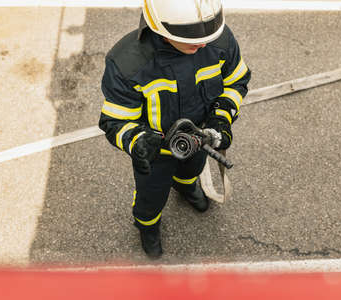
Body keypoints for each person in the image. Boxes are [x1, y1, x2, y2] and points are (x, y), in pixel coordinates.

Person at [98, 0, 251, 258]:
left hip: (200, 138)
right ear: (160, 26)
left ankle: (186, 187)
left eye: (208, 33)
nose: (203, 43)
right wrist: (137, 142)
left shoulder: (218, 39)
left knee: (192, 168)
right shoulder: (127, 64)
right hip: (155, 153)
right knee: (151, 195)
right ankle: (147, 226)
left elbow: (237, 81)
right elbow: (115, 121)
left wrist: (221, 118)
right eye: (192, 37)